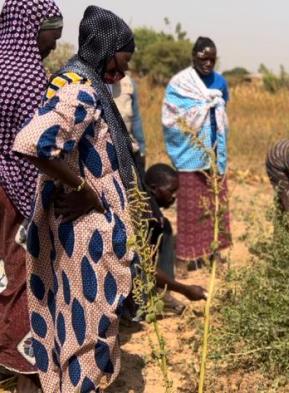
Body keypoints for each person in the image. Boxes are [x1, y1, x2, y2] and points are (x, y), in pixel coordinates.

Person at [12, 6, 140, 391]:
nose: (121, 73)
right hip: (83, 235)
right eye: (120, 63)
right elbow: (32, 144)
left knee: (73, 325)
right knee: (89, 332)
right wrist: (85, 190)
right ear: (103, 49)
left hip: (75, 230)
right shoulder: (80, 91)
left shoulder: (78, 84)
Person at [0, 0, 62, 390]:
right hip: (15, 190)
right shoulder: (28, 78)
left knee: (3, 272)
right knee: (25, 271)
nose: (54, 46)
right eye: (50, 37)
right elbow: (35, 149)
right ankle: (24, 369)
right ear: (29, 31)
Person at [162, 36, 231, 268]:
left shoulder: (220, 82)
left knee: (216, 205)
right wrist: (201, 109)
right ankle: (184, 257)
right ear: (193, 56)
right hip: (190, 153)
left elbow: (222, 112)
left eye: (212, 59)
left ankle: (214, 253)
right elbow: (171, 119)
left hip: (215, 152)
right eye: (203, 58)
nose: (208, 63)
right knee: (190, 207)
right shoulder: (180, 83)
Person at [144, 163, 207, 305]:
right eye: (170, 191)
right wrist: (185, 290)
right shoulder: (143, 216)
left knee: (165, 227)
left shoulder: (157, 218)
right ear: (154, 189)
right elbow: (145, 267)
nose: (173, 197)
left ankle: (163, 292)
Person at [112, 73, 146, 169]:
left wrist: (142, 149)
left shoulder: (128, 83)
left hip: (130, 148)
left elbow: (136, 119)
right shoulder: (94, 81)